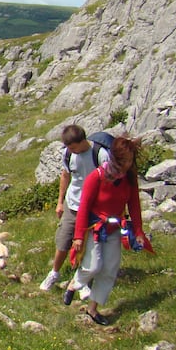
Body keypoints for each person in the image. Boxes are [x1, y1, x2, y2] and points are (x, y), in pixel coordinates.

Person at [62, 135, 147, 326]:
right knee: (93, 266)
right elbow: (84, 207)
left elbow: (134, 205)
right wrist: (78, 236)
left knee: (109, 269)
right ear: (115, 158)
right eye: (124, 160)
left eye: (131, 160)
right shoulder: (97, 176)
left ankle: (93, 309)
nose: (128, 164)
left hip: (115, 228)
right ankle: (73, 284)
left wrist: (139, 231)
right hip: (95, 227)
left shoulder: (129, 179)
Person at [40, 125, 110, 292]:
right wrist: (59, 202)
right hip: (72, 204)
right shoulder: (68, 153)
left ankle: (81, 280)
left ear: (83, 141)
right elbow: (65, 176)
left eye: (73, 147)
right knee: (63, 240)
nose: (71, 150)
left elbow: (108, 182)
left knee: (87, 245)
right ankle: (54, 273)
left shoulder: (100, 154)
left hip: (93, 208)